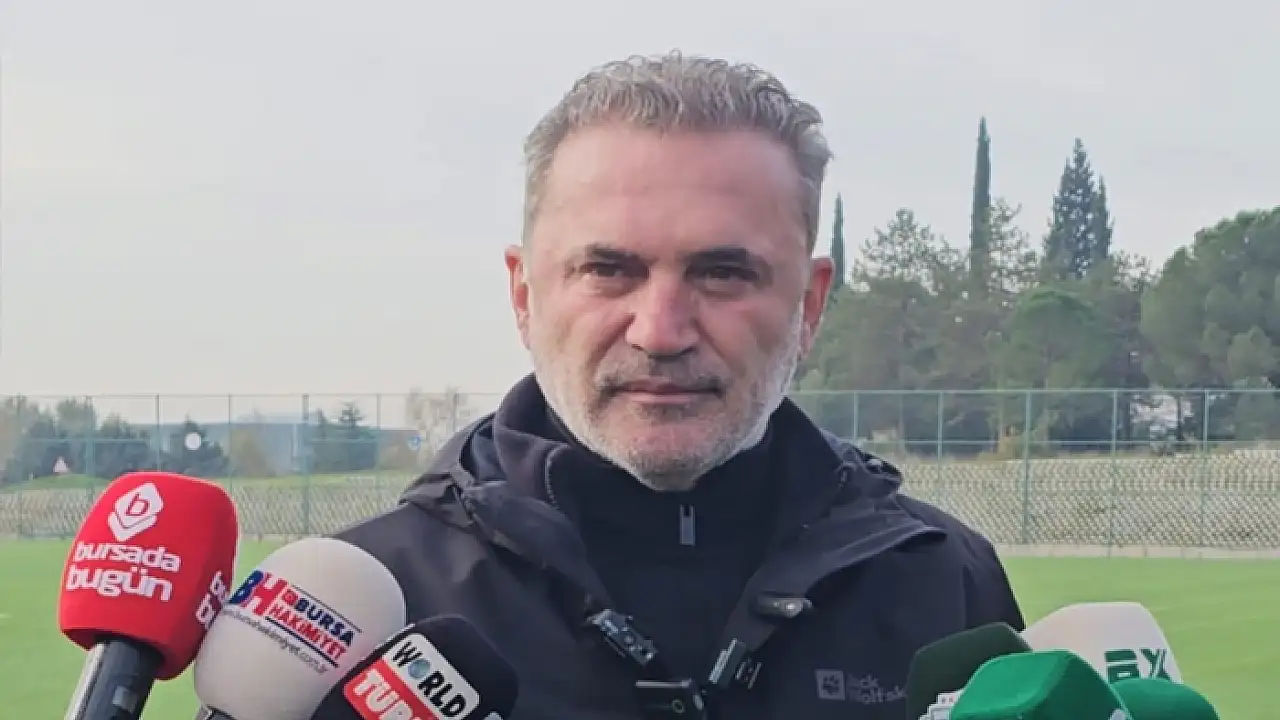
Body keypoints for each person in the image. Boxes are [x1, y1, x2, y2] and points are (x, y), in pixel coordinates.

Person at [337, 51, 1024, 719]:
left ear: (810, 306)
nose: (660, 333)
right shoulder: (369, 612)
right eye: (608, 270)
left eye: (722, 273)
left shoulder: (949, 590)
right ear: (525, 296)